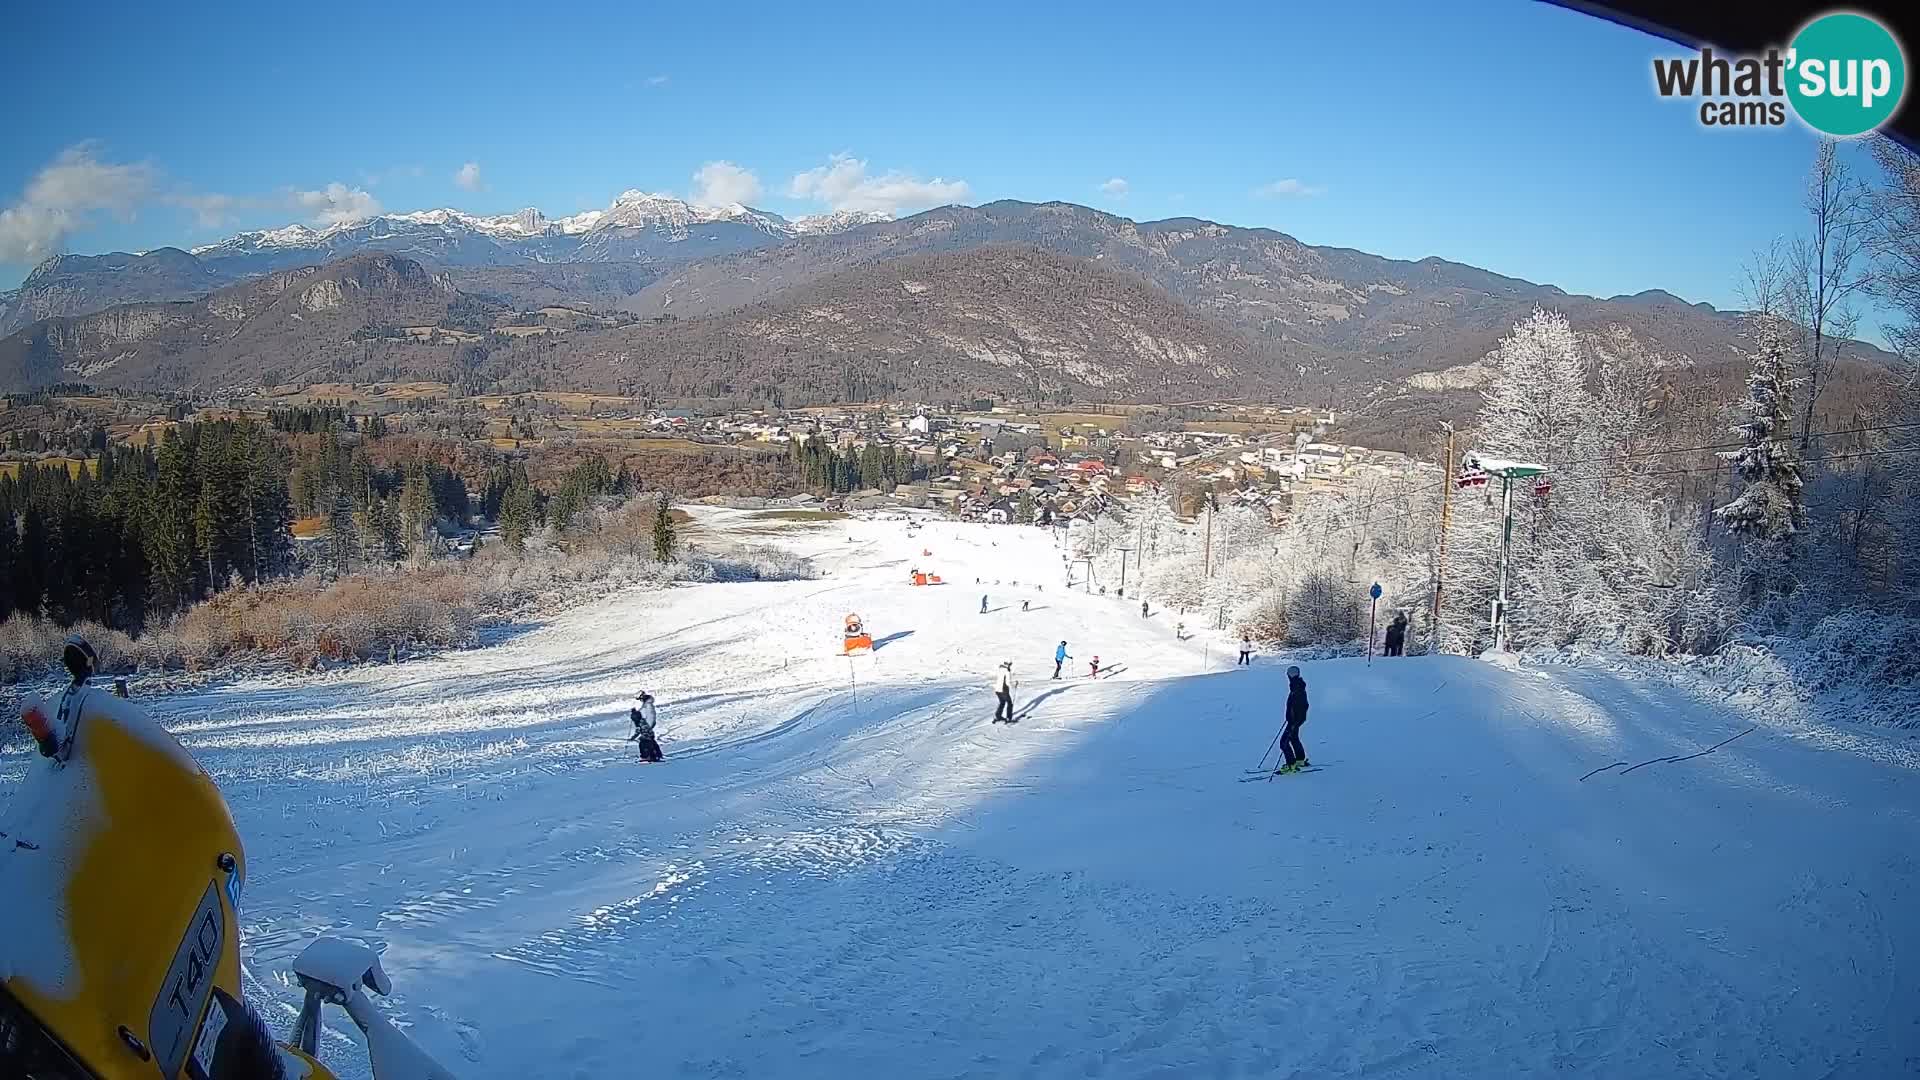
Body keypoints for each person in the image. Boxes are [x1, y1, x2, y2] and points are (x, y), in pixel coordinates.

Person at [1277, 665, 1310, 773]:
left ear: (1290, 675)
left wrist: (1293, 719)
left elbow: (1301, 705)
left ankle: (1291, 765)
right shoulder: (1296, 685)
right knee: (1293, 738)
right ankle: (1300, 760)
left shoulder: (1297, 687)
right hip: (1296, 719)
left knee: (1283, 742)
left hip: (1294, 720)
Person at [628, 691, 663, 762]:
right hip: (647, 727)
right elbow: (639, 728)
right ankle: (656, 755)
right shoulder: (646, 705)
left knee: (645, 743)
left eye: (640, 699)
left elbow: (649, 716)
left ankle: (648, 756)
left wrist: (647, 727)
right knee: (650, 741)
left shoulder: (648, 705)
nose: (640, 700)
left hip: (647, 727)